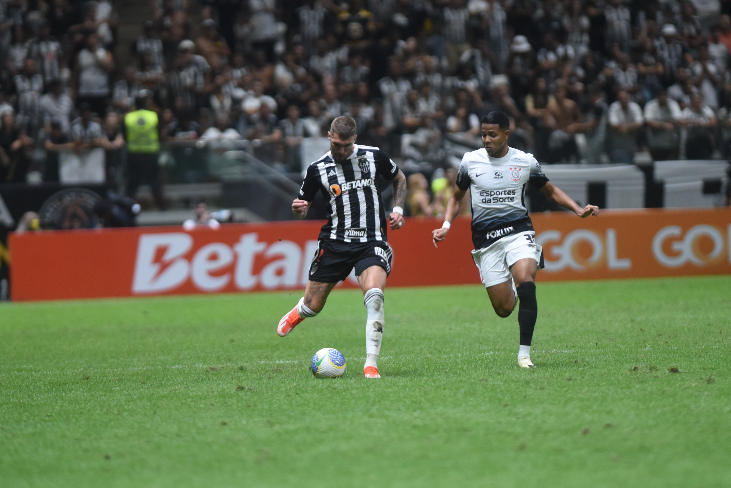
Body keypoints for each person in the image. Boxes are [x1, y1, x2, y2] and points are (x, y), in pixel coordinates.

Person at [431, 111, 599, 368]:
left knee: (526, 280)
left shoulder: (524, 161)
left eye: (492, 134)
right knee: (504, 309)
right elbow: (456, 196)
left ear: (506, 134)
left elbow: (550, 190)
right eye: (483, 134)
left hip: (518, 232)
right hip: (486, 242)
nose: (486, 139)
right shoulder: (470, 161)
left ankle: (524, 354)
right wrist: (446, 225)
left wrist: (577, 209)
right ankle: (514, 279)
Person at [276, 115, 407, 379]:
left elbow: (400, 178)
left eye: (347, 146)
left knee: (375, 296)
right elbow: (303, 205)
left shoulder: (374, 156)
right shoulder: (317, 168)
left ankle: (371, 364)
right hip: (335, 242)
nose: (342, 151)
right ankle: (300, 311)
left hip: (371, 240)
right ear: (329, 137)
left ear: (355, 139)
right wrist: (298, 209)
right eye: (337, 145)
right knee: (314, 305)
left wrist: (398, 209)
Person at [124, 90, 165, 209]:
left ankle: (126, 207)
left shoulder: (128, 117)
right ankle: (161, 208)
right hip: (151, 154)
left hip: (134, 154)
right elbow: (160, 135)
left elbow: (125, 136)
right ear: (147, 103)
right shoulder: (153, 116)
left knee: (132, 183)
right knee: (155, 182)